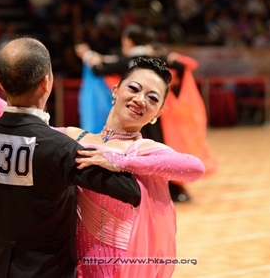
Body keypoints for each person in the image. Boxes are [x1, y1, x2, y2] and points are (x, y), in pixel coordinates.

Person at [0, 37, 141, 278]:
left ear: (0, 83)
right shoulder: (60, 148)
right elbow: (130, 190)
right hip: (49, 270)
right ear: (47, 83)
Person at [61, 57, 205, 277]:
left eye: (152, 98)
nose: (140, 99)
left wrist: (120, 161)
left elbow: (195, 168)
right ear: (116, 90)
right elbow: (24, 123)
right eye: (134, 88)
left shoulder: (143, 150)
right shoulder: (74, 136)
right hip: (69, 262)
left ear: (157, 114)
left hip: (118, 267)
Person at [75, 24, 200, 203]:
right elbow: (181, 65)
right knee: (158, 147)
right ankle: (172, 188)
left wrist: (86, 54)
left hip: (138, 121)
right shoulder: (156, 56)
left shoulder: (127, 60)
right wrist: (175, 90)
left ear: (129, 41)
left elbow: (99, 69)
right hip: (154, 117)